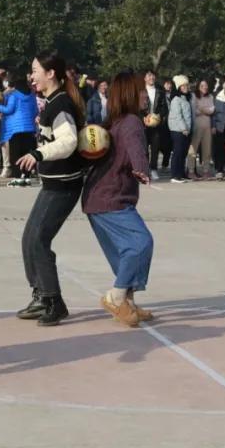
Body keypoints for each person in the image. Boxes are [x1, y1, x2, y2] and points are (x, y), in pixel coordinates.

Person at [15, 51, 86, 327]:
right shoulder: (51, 103)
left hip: (64, 185)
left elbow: (68, 142)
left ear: (50, 73)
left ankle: (54, 301)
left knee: (38, 240)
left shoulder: (61, 104)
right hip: (53, 183)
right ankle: (41, 295)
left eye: (35, 70)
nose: (32, 76)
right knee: (29, 239)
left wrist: (39, 153)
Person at [83, 72, 154, 327]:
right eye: (142, 90)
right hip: (110, 198)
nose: (145, 95)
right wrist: (141, 169)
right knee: (140, 242)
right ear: (130, 94)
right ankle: (116, 297)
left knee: (125, 253)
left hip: (99, 198)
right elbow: (136, 150)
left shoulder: (114, 121)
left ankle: (128, 303)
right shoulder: (132, 122)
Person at [0, 71, 38, 187]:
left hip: (15, 130)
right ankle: (26, 177)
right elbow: (35, 111)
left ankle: (17, 178)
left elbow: (9, 110)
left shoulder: (13, 95)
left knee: (16, 155)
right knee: (27, 154)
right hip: (29, 129)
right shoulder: (32, 95)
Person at [142, 71, 168, 180]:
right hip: (144, 124)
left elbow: (164, 108)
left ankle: (153, 169)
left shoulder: (160, 92)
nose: (151, 77)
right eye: (149, 75)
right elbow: (137, 107)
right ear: (144, 78)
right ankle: (145, 170)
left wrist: (158, 116)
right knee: (144, 148)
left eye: (153, 75)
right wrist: (143, 117)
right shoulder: (140, 92)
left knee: (155, 148)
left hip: (156, 124)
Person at [167, 75, 192, 183]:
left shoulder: (185, 98)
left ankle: (181, 174)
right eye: (183, 85)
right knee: (177, 152)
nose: (185, 87)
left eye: (186, 85)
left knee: (183, 152)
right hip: (178, 130)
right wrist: (183, 128)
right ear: (178, 87)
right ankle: (175, 175)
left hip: (186, 130)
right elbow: (178, 116)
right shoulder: (176, 99)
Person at [189, 79, 214, 179]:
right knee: (193, 149)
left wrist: (201, 109)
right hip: (196, 126)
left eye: (206, 85)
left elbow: (212, 110)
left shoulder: (210, 96)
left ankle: (206, 171)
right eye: (202, 85)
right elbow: (194, 111)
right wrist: (205, 110)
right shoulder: (193, 96)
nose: (204, 87)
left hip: (208, 126)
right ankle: (191, 171)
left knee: (207, 150)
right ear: (198, 86)